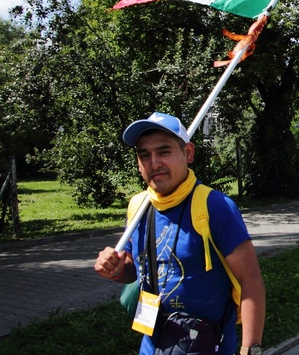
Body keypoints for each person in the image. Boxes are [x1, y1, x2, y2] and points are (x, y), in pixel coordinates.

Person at [94, 112, 265, 355]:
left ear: (188, 153)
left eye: (164, 152)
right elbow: (135, 268)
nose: (154, 163)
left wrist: (251, 349)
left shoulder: (214, 206)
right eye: (145, 155)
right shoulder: (138, 206)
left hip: (209, 346)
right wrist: (116, 269)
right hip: (155, 345)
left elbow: (251, 281)